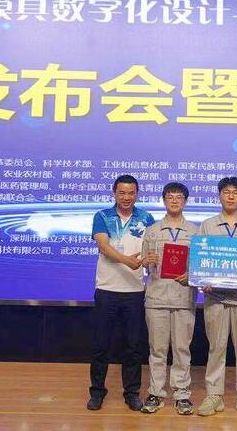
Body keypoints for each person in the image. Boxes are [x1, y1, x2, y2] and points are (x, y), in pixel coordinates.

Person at [87, 174, 155, 412]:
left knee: (133, 347)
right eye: (122, 193)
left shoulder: (146, 218)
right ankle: (97, 392)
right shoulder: (102, 216)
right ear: (114, 193)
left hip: (134, 291)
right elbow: (104, 246)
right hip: (107, 289)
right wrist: (129, 261)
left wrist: (147, 260)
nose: (126, 197)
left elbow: (151, 250)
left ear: (137, 194)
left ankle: (132, 393)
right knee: (101, 345)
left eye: (131, 193)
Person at [196, 176, 237, 418]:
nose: (231, 196)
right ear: (219, 195)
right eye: (226, 192)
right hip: (216, 298)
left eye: (235, 192)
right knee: (216, 348)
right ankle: (214, 395)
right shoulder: (207, 225)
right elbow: (200, 260)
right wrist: (203, 280)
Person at [140, 182, 198, 416]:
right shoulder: (152, 230)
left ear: (185, 201)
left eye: (179, 197)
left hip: (184, 298)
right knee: (157, 350)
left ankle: (182, 394)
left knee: (182, 349)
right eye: (170, 197)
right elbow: (144, 263)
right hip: (156, 298)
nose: (174, 201)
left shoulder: (195, 232)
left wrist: (191, 275)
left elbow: (200, 265)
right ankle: (155, 392)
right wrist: (146, 261)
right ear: (164, 200)